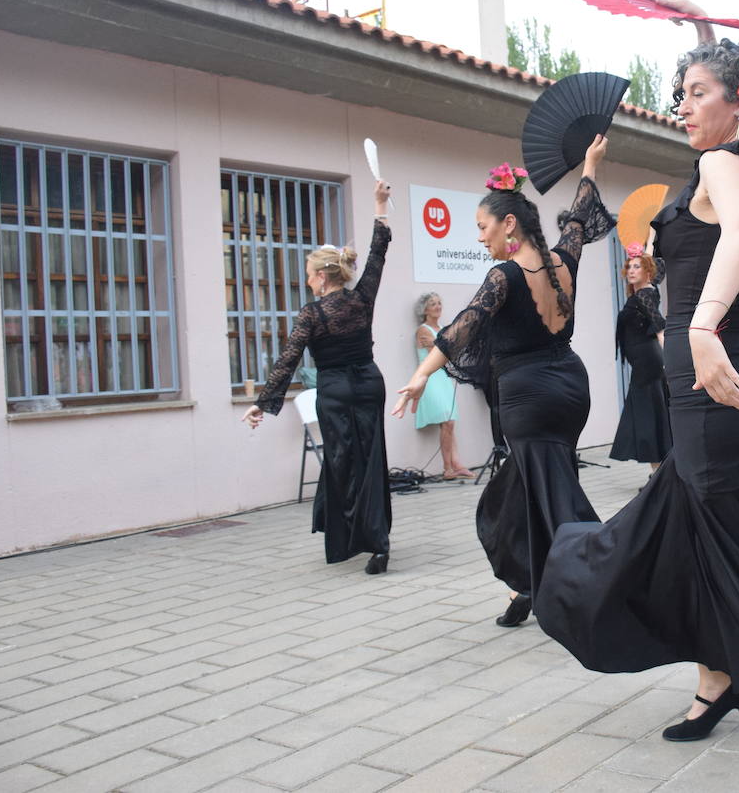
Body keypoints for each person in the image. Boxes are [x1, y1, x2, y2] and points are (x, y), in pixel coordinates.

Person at [535, 23, 739, 787]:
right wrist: (701, 31)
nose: (680, 108)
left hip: (714, 377)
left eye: (695, 94)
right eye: (677, 94)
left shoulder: (721, 163)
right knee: (705, 528)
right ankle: (717, 683)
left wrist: (699, 322)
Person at [392, 145, 615, 626]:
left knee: (541, 495)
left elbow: (464, 325)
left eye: (482, 226)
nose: (479, 238)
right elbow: (577, 219)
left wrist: (420, 373)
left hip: (528, 394)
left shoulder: (505, 275)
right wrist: (590, 168)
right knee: (530, 487)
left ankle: (609, 573)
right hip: (570, 388)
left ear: (508, 224)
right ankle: (531, 585)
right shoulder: (563, 260)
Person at [241, 179, 394, 575]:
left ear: (322, 277)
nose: (307, 280)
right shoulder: (362, 297)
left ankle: (348, 537)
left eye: (309, 274)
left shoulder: (312, 313)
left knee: (343, 461)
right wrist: (379, 203)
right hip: (370, 383)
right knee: (372, 459)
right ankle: (378, 542)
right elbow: (379, 252)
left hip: (336, 390)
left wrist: (262, 402)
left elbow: (288, 360)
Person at [610, 249, 671, 470]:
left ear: (648, 271)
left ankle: (658, 473)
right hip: (645, 362)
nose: (632, 271)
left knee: (649, 415)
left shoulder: (644, 294)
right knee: (651, 413)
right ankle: (660, 471)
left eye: (638, 266)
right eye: (630, 267)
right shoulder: (645, 292)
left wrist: (669, 360)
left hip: (648, 363)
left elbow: (659, 326)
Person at [413, 293, 475, 480]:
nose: (438, 306)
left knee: (450, 422)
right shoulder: (422, 330)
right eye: (433, 304)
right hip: (431, 379)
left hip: (444, 378)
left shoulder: (441, 329)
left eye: (439, 303)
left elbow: (448, 351)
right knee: (447, 422)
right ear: (425, 309)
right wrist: (450, 346)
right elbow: (443, 353)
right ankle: (447, 468)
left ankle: (455, 464)